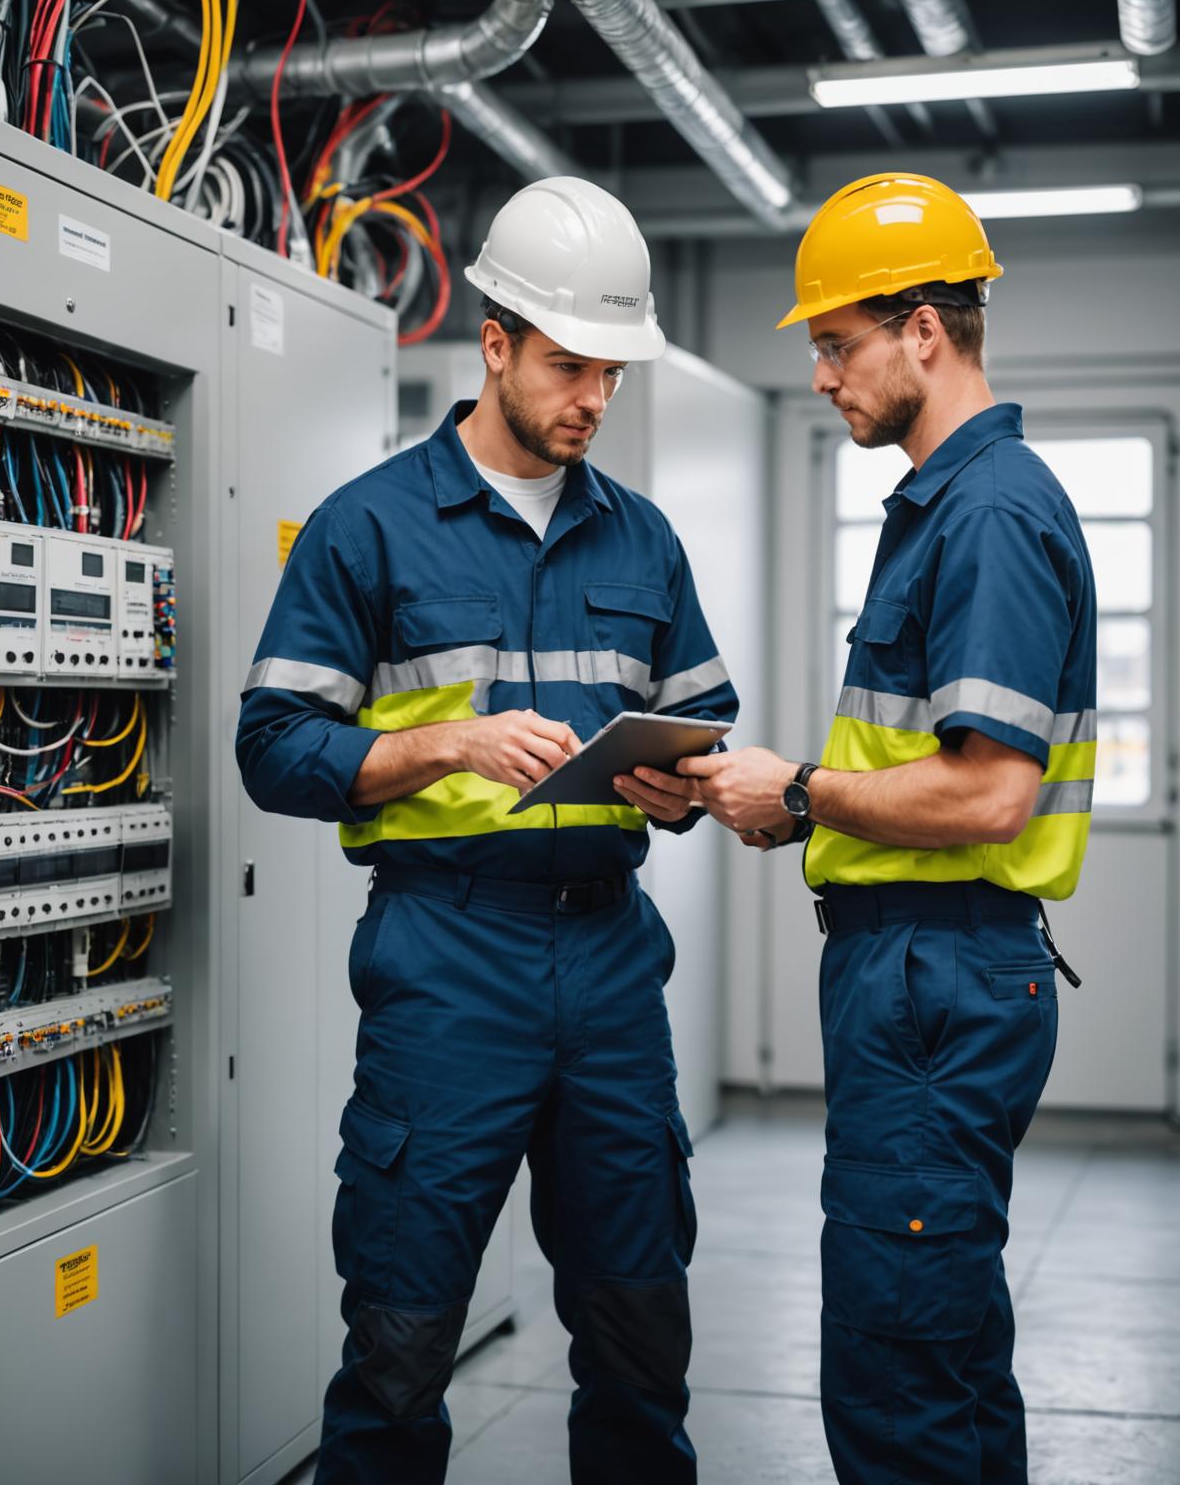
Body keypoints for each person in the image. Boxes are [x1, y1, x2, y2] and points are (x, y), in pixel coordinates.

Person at [236, 175, 735, 1485]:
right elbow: (271, 750)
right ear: (496, 343)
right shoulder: (368, 529)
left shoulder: (647, 544)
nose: (593, 400)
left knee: (640, 1340)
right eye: (571, 366)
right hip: (446, 968)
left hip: (613, 969)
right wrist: (440, 742)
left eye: (613, 376)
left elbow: (704, 731)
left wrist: (679, 787)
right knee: (400, 1350)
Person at [636, 172, 1098, 1484]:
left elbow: (989, 792)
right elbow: (926, 774)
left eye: (837, 345)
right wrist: (787, 809)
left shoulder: (994, 511)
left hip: (941, 971)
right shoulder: (946, 508)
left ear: (927, 335)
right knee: (922, 1340)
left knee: (907, 1364)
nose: (825, 375)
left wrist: (800, 790)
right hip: (916, 961)